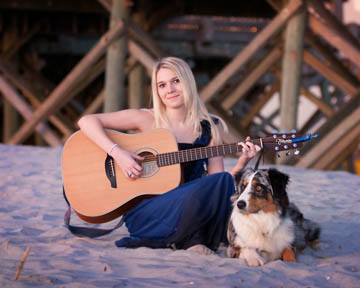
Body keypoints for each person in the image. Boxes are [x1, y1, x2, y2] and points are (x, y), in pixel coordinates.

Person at [78, 57, 261, 253]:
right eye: (162, 85)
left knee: (223, 181)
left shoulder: (209, 127)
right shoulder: (146, 119)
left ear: (188, 82)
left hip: (188, 207)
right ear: (157, 91)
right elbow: (87, 121)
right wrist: (118, 154)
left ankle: (189, 239)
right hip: (149, 213)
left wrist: (242, 163)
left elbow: (215, 184)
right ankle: (191, 240)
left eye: (176, 81)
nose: (170, 90)